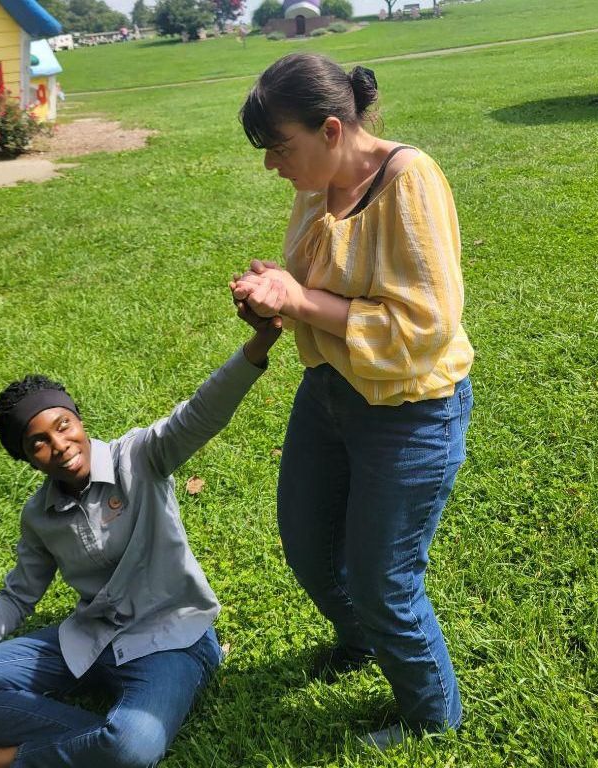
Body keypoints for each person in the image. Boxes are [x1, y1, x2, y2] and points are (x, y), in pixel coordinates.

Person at [0, 302, 283, 768]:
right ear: (26, 458)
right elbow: (15, 599)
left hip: (173, 639)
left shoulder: (141, 458)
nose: (59, 445)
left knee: (134, 747)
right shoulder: (39, 515)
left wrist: (259, 344)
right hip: (91, 639)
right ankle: (96, 739)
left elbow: (200, 413)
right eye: (38, 442)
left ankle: (1, 759)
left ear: (78, 419)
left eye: (63, 425)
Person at [232, 53, 474, 747]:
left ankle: (432, 718)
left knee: (382, 580)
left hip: (411, 410)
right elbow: (319, 285)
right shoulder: (320, 185)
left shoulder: (409, 180)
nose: (272, 165)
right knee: (308, 546)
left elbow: (426, 328)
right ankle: (363, 639)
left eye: (281, 147)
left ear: (332, 130)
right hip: (330, 394)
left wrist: (300, 299)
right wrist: (275, 297)